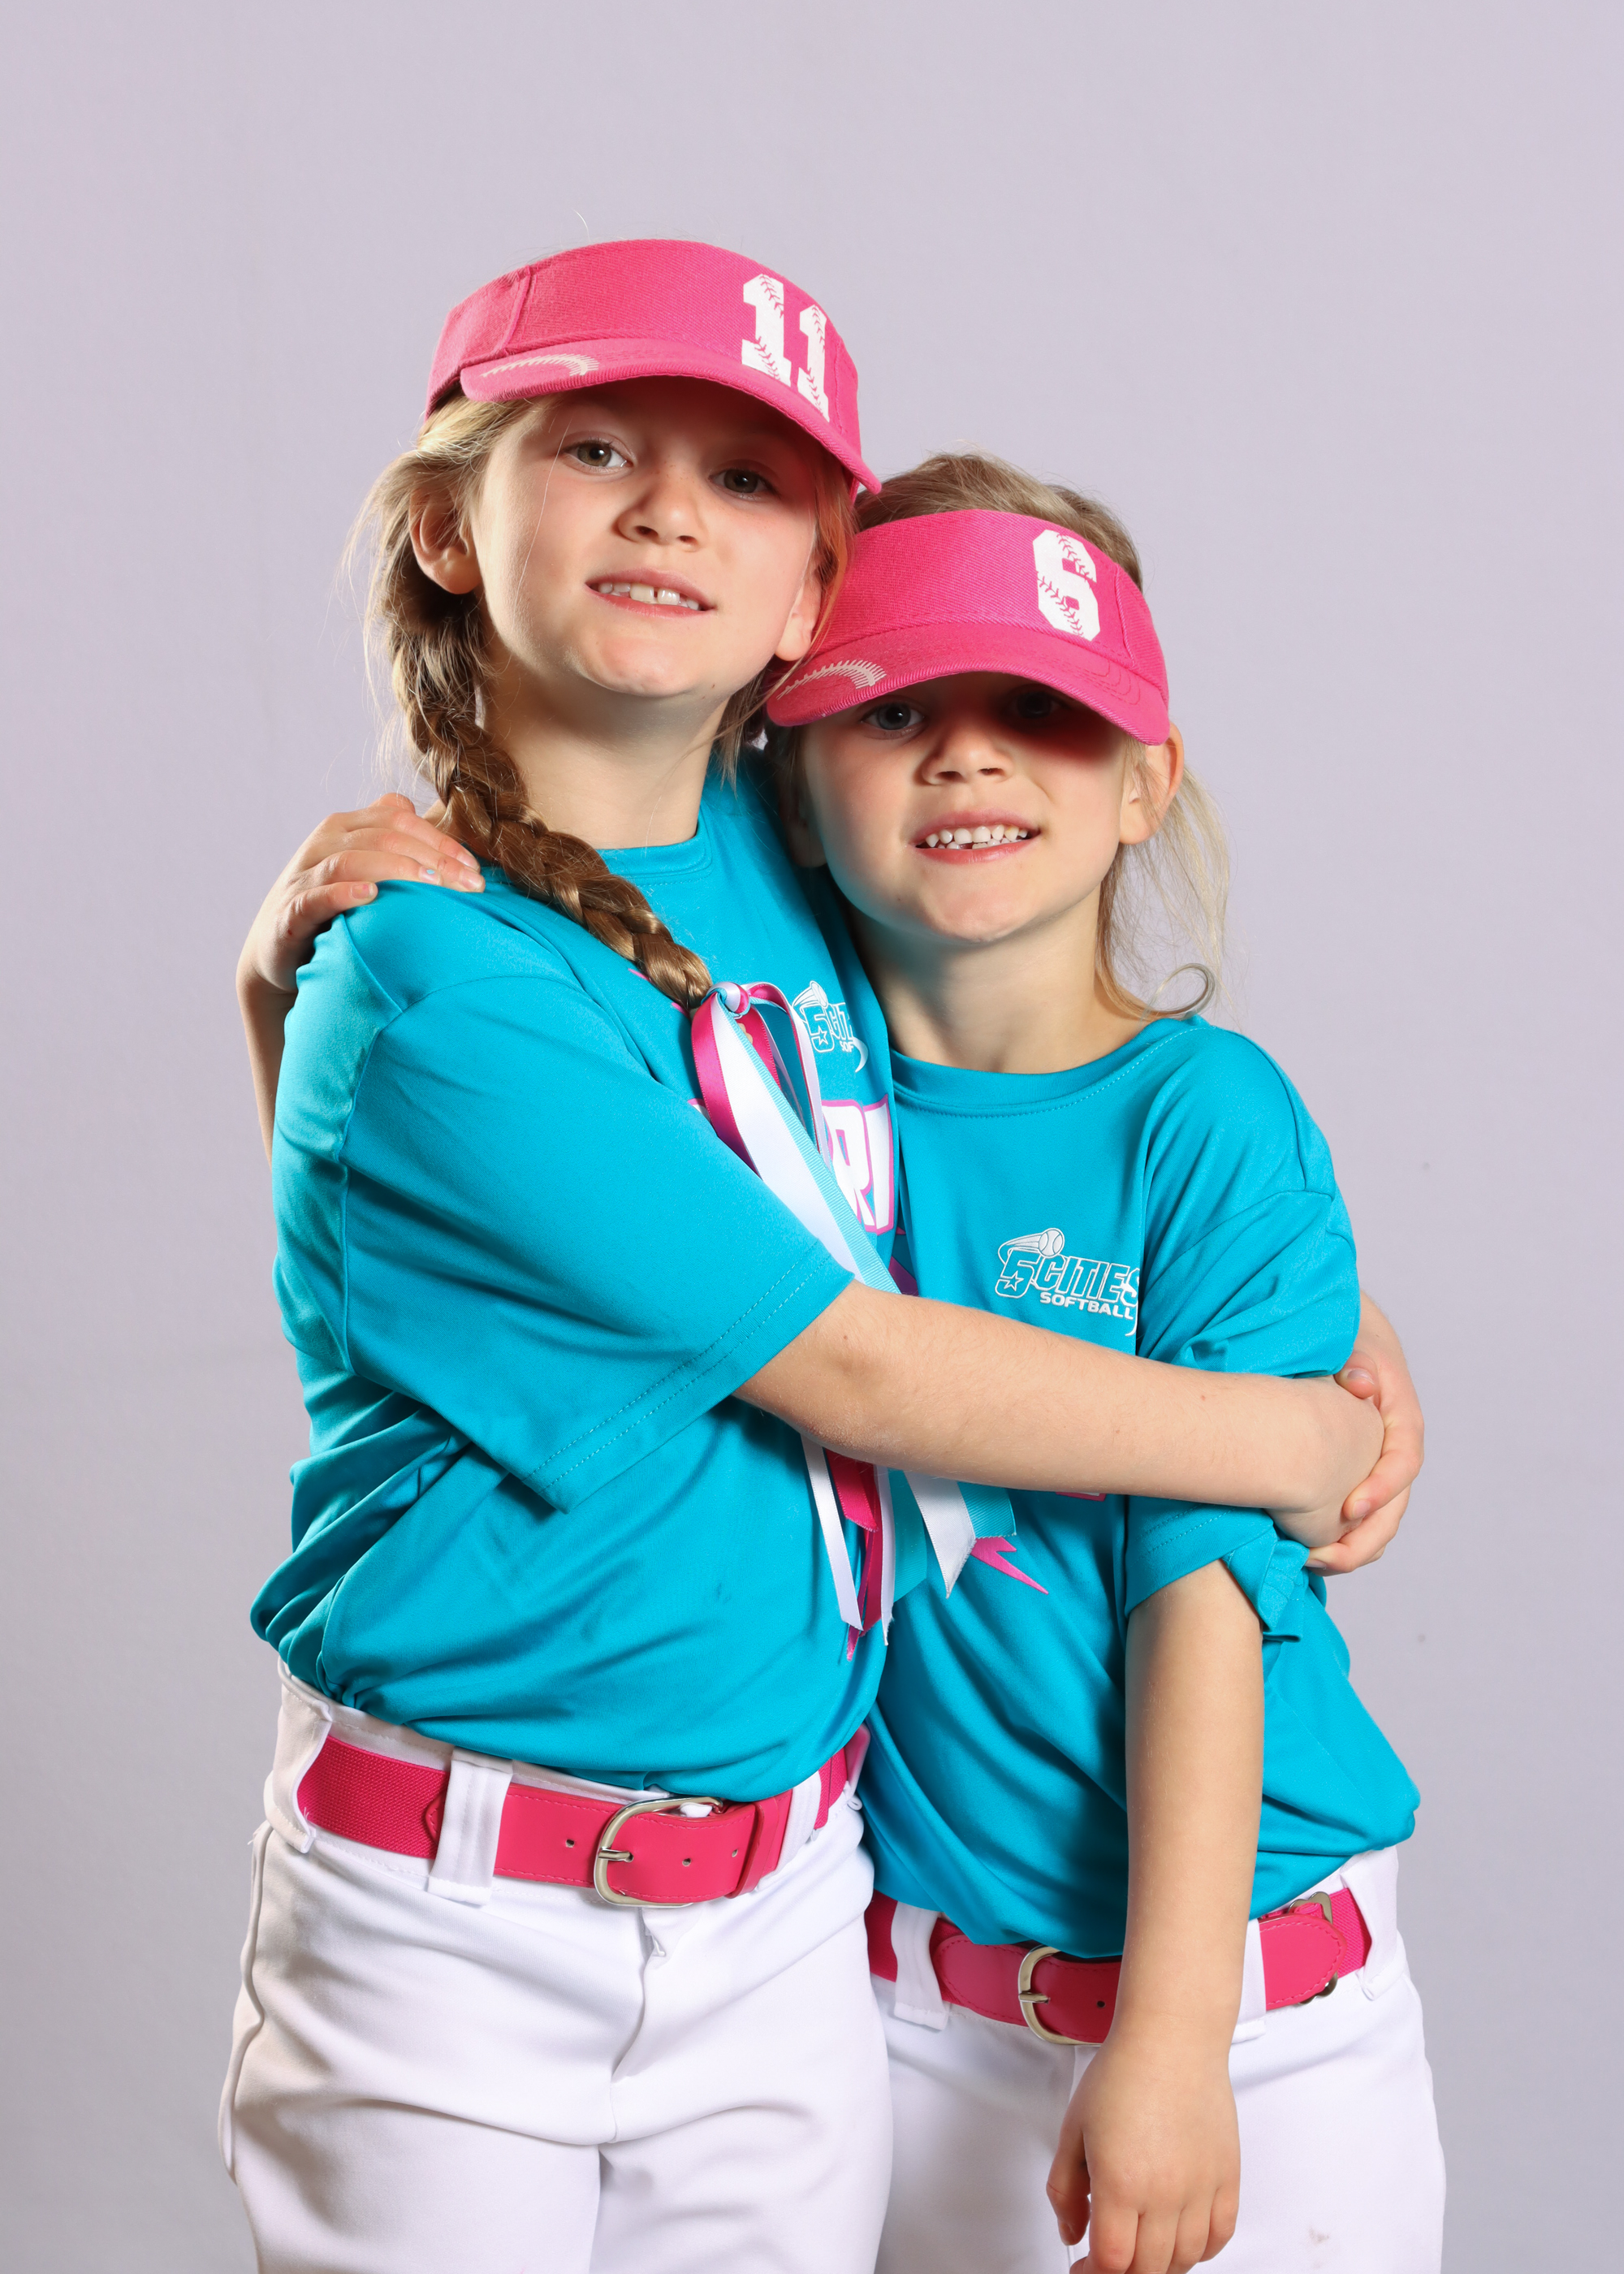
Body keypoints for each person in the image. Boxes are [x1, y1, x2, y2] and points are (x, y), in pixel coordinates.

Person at [226, 240, 1417, 2274]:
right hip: (462, 1908)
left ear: (804, 608)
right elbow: (853, 1361)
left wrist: (1323, 1307)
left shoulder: (801, 857)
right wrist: (1278, 1431)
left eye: (746, 478)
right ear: (445, 524)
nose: (668, 511)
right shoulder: (435, 960)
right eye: (590, 449)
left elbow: (1050, 1091)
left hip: (792, 1916)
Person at [768, 454, 1445, 2274]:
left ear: (1145, 779)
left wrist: (1171, 2039)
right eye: (895, 709)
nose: (968, 757)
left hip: (1246, 2023)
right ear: (791, 778)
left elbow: (1199, 1593)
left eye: (1042, 711)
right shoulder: (769, 1104)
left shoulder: (1206, 1116)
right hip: (897, 2020)